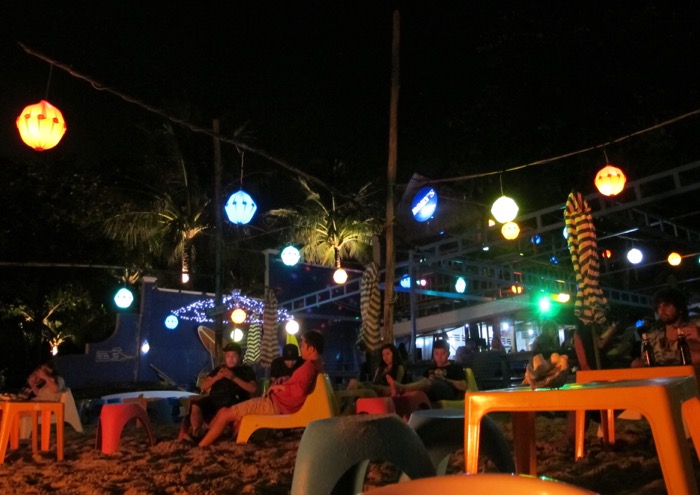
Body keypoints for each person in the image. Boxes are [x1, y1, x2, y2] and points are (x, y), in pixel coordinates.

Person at [198, 330, 325, 447]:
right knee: (224, 413)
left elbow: (299, 391)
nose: (301, 349)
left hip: (273, 405)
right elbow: (300, 385)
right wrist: (286, 380)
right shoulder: (315, 365)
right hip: (274, 403)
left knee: (225, 414)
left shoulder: (308, 367)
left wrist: (280, 387)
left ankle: (202, 446)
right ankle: (206, 440)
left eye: (302, 345)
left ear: (311, 349)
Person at [179, 342, 257, 441]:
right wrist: (217, 377)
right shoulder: (219, 370)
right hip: (214, 400)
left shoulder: (246, 370)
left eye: (234, 356)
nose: (231, 358)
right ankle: (196, 431)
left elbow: (253, 389)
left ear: (239, 357)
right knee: (195, 404)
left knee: (223, 409)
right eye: (228, 356)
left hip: (232, 401)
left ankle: (206, 434)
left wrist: (234, 378)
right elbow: (203, 386)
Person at [631, 287, 700, 368]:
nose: (662, 310)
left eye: (667, 305)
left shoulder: (695, 328)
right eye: (659, 307)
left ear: (680, 307)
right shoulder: (652, 338)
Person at [386, 339, 466, 401]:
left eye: (443, 353)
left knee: (427, 382)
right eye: (436, 353)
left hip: (447, 393)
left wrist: (443, 379)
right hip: (431, 394)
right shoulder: (430, 369)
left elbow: (463, 386)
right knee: (419, 382)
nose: (439, 357)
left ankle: (401, 388)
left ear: (448, 354)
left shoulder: (455, 367)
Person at [18, 360, 66, 439]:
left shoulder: (58, 379)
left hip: (45, 408)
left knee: (16, 412)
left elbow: (55, 389)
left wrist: (45, 377)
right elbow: (40, 394)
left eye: (44, 369)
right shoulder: (47, 382)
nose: (41, 371)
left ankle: (19, 435)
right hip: (38, 404)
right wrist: (32, 385)